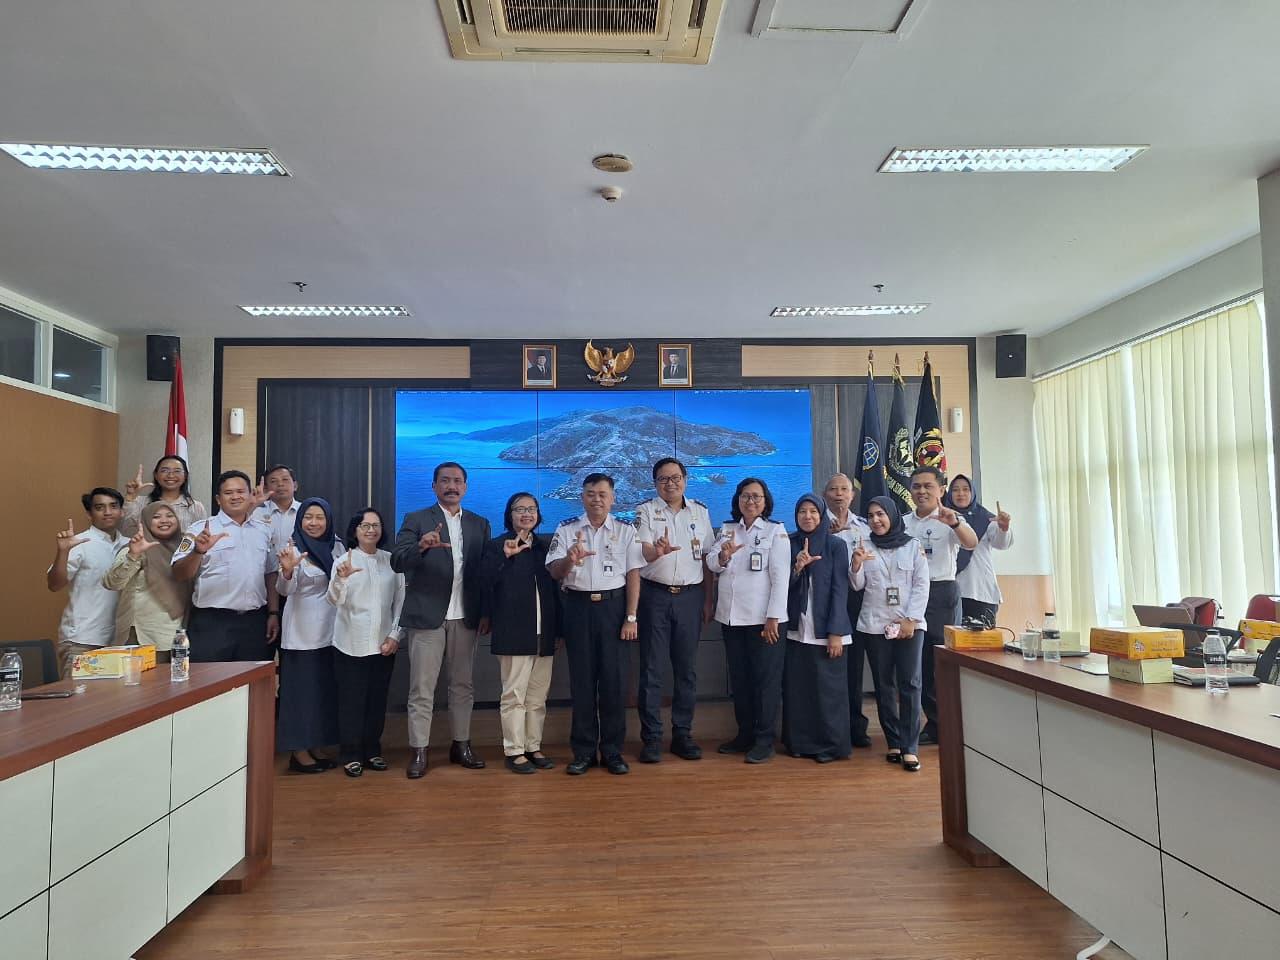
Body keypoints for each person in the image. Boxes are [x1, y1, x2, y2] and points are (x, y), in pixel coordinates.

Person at [391, 462, 492, 779]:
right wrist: (421, 546)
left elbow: (483, 575)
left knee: (463, 686)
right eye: (445, 481)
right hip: (427, 617)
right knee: (422, 689)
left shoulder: (480, 524)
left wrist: (486, 611)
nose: (452, 486)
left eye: (458, 481)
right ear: (434, 486)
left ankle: (461, 745)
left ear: (466, 486)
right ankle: (419, 751)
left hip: (466, 617)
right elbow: (397, 561)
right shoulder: (417, 520)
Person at [546, 473, 644, 776]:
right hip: (577, 609)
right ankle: (584, 752)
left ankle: (613, 752)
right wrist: (570, 561)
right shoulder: (567, 529)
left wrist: (631, 617)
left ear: (613, 498)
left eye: (602, 494)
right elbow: (553, 571)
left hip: (614, 609)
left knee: (614, 685)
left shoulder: (627, 531)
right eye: (590, 493)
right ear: (582, 496)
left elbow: (633, 575)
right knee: (582, 684)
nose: (597, 499)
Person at [633, 458, 715, 763]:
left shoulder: (700, 511)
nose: (671, 483)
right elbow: (640, 552)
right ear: (655, 483)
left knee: (686, 671)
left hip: (691, 598)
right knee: (652, 670)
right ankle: (651, 739)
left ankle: (683, 735)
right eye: (664, 479)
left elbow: (708, 559)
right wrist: (658, 551)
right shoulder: (645, 511)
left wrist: (708, 601)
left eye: (676, 477)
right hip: (654, 597)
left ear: (686, 479)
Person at [705, 477, 790, 764]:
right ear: (737, 500)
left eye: (756, 497)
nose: (750, 501)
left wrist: (773, 618)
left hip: (764, 621)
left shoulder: (775, 531)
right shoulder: (728, 530)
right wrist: (724, 557)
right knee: (740, 681)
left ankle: (764, 739)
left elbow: (781, 578)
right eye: (745, 496)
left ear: (765, 501)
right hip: (731, 619)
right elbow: (712, 563)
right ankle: (744, 735)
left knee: (765, 682)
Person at [479, 493, 560, 774]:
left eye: (531, 509)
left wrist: (557, 630)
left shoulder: (545, 547)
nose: (526, 513)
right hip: (514, 632)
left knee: (537, 697)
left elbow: (555, 593)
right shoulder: (496, 546)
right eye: (520, 509)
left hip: (544, 634)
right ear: (509, 514)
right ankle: (514, 750)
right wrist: (505, 556)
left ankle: (532, 746)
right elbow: (484, 582)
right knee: (514, 695)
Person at [851, 497, 930, 771]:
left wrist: (911, 619)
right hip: (875, 624)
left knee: (910, 683)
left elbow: (922, 586)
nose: (876, 520)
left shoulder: (913, 546)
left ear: (893, 516)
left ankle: (910, 746)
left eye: (881, 514)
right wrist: (856, 565)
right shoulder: (864, 545)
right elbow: (858, 585)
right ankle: (894, 741)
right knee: (884, 685)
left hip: (909, 624)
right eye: (871, 516)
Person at [902, 466, 977, 744]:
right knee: (916, 661)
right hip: (911, 595)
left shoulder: (950, 518)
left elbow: (971, 543)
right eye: (916, 486)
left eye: (928, 486)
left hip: (941, 593)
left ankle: (944, 724)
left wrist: (955, 523)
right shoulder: (904, 521)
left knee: (940, 660)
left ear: (941, 490)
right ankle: (931, 722)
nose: (921, 491)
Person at [172, 470, 280, 661]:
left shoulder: (264, 530)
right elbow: (179, 574)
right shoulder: (199, 529)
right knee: (210, 684)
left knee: (252, 684)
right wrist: (198, 551)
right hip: (212, 623)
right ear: (218, 499)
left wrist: (273, 613)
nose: (236, 496)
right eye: (228, 493)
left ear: (250, 496)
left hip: (254, 622)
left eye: (241, 491)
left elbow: (270, 574)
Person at [328, 508, 404, 779]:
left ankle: (373, 751)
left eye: (375, 525)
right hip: (349, 643)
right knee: (351, 701)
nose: (371, 530)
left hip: (384, 644)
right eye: (364, 525)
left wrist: (395, 635)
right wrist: (342, 579)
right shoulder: (343, 560)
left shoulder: (391, 561)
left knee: (376, 701)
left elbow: (401, 603)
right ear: (355, 530)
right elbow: (333, 600)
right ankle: (350, 754)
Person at [781, 493, 853, 763]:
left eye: (813, 511)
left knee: (829, 692)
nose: (807, 516)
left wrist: (836, 632)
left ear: (821, 515)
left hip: (827, 632)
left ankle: (831, 746)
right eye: (802, 511)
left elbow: (839, 590)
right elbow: (779, 586)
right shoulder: (788, 543)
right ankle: (800, 743)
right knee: (799, 690)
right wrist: (797, 568)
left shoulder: (836, 546)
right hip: (796, 630)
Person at [275, 498, 343, 774]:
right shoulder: (292, 547)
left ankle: (315, 745)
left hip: (332, 632)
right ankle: (298, 752)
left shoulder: (336, 545)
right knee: (300, 696)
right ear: (299, 520)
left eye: (320, 517)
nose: (314, 523)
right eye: (308, 517)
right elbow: (284, 590)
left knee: (321, 694)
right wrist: (288, 571)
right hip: (301, 634)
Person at [822, 473, 877, 749]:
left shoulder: (866, 527)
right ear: (825, 494)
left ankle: (856, 725)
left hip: (856, 599)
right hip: (825, 600)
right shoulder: (815, 524)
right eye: (833, 489)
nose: (839, 494)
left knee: (854, 667)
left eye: (844, 489)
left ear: (852, 496)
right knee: (828, 665)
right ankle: (830, 725)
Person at [47, 487, 126, 676]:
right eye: (100, 507)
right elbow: (54, 584)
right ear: (89, 514)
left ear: (122, 511)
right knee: (77, 703)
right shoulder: (80, 542)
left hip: (120, 640)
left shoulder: (130, 545)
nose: (107, 512)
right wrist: (63, 552)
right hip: (82, 639)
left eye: (113, 506)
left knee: (114, 704)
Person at [103, 501, 192, 658]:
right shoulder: (136, 546)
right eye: (156, 517)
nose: (164, 520)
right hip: (141, 636)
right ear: (145, 521)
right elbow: (112, 583)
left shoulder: (187, 548)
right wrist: (133, 555)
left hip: (179, 634)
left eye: (170, 516)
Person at [944, 475, 1013, 626]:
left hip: (980, 591)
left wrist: (1004, 528)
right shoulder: (943, 517)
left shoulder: (986, 518)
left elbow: (1001, 544)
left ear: (973, 493)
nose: (960, 494)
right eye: (955, 490)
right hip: (950, 593)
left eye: (965, 489)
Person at [120, 456, 208, 537]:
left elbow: (202, 539)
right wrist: (130, 498)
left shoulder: (195, 507)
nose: (171, 475)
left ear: (185, 476)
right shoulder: (140, 502)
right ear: (156, 475)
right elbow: (126, 531)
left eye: (177, 471)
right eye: (164, 471)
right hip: (147, 553)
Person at [254, 464, 301, 554]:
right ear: (266, 489)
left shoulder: (306, 511)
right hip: (263, 567)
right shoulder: (255, 512)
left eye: (285, 479)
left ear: (295, 486)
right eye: (273, 481)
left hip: (297, 567)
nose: (280, 484)